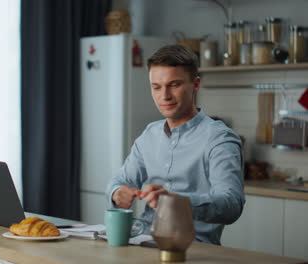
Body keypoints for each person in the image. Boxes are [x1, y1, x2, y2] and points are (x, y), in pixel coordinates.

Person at [105, 44, 245, 245]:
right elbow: (120, 180)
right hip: (141, 243)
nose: (165, 96)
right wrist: (117, 192)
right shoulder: (149, 135)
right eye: (157, 87)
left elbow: (231, 204)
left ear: (196, 84)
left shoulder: (220, 138)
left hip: (193, 251)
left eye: (174, 84)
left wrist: (177, 202)